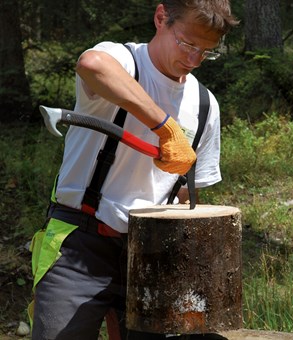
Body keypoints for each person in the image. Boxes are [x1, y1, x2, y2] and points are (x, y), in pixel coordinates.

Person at [29, 1, 238, 339]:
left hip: (152, 253)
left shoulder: (204, 105)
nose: (194, 60)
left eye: (207, 52)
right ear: (161, 18)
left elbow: (184, 195)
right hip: (79, 243)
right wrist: (165, 127)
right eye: (187, 44)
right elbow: (91, 64)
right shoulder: (124, 61)